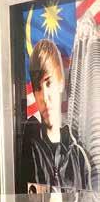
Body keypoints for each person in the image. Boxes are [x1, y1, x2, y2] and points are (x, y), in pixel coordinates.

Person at [22, 39, 91, 191]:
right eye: (38, 88)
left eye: (48, 83)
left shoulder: (78, 152)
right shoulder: (30, 146)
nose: (45, 97)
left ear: (60, 81)